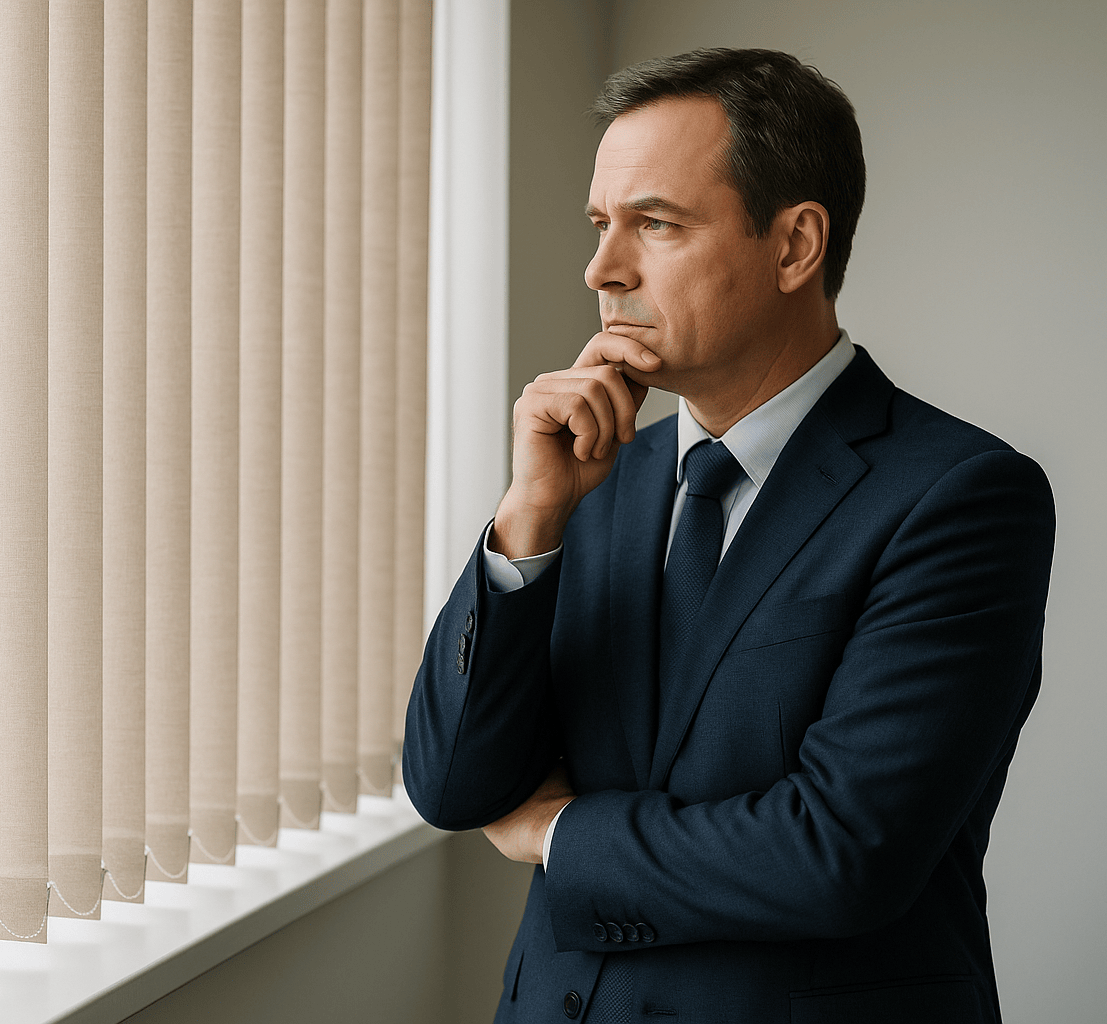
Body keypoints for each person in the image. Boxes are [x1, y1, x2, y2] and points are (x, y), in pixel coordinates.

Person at [403, 48, 1053, 1024]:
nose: (601, 269)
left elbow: (837, 853)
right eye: (600, 225)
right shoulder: (591, 479)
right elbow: (454, 783)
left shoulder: (961, 497)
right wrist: (525, 521)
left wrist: (561, 832)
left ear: (795, 246)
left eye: (654, 224)